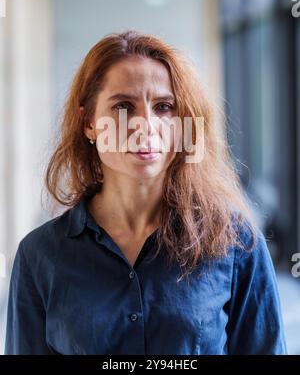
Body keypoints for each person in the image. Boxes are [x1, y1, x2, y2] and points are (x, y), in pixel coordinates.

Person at [5, 30, 287, 355]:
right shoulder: (40, 255)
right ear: (89, 123)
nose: (146, 126)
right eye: (123, 106)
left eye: (164, 107)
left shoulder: (235, 243)